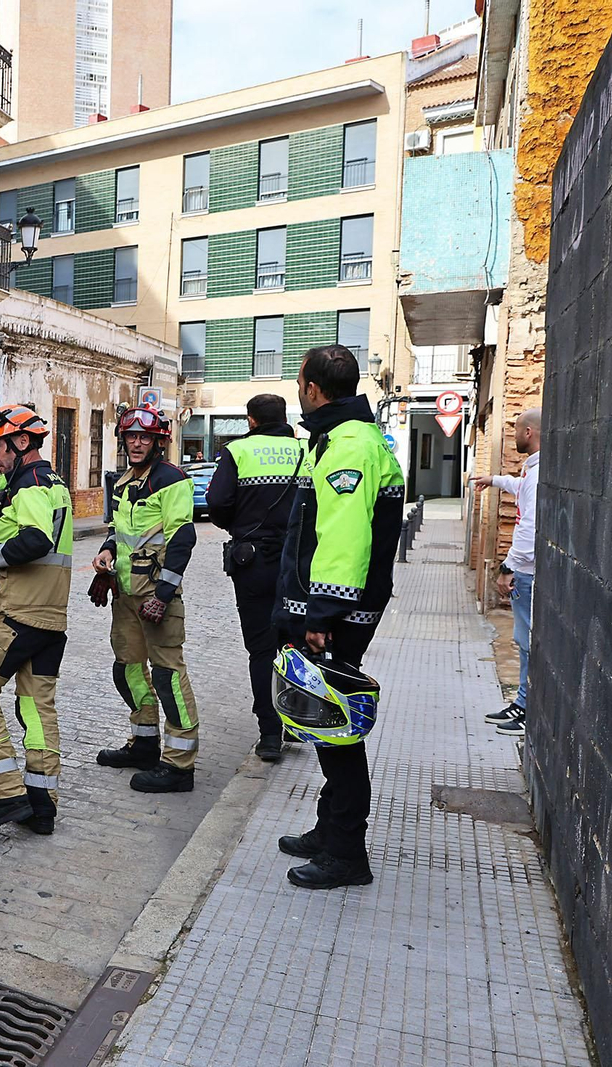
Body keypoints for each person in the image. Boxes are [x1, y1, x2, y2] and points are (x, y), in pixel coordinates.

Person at [273, 344, 404, 890]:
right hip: (332, 609)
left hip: (335, 614)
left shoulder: (349, 446)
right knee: (325, 724)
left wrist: (322, 615)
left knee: (336, 728)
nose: (298, 393)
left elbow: (344, 538)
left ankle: (347, 852)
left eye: (300, 384)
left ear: (312, 389)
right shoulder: (342, 438)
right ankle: (330, 829)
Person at [0, 404, 74, 835]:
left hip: (14, 615)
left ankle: (5, 794)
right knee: (37, 707)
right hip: (50, 618)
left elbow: (36, 539)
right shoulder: (53, 483)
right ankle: (41, 807)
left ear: (22, 442)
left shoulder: (29, 484)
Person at [93, 406, 201, 792]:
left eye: (145, 437)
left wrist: (164, 595)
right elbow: (120, 530)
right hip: (125, 594)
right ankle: (144, 743)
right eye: (131, 436)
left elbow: (182, 538)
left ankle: (179, 765)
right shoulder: (123, 482)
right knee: (128, 670)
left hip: (157, 597)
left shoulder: (171, 480)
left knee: (168, 675)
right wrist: (107, 550)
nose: (137, 443)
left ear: (158, 442)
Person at [205, 394, 306, 763]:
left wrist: (239, 527)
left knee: (262, 649)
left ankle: (270, 734)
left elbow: (217, 502)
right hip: (299, 564)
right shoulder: (306, 450)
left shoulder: (238, 452)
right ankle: (298, 720)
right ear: (284, 418)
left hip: (253, 562)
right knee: (296, 644)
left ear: (251, 420)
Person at [471, 408, 540, 737]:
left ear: (529, 433)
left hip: (526, 571)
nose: (513, 437)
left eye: (516, 431)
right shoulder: (534, 471)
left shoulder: (538, 475)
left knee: (525, 642)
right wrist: (494, 480)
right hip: (526, 571)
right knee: (523, 640)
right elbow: (521, 486)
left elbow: (528, 529)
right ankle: (521, 703)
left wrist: (507, 568)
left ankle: (525, 709)